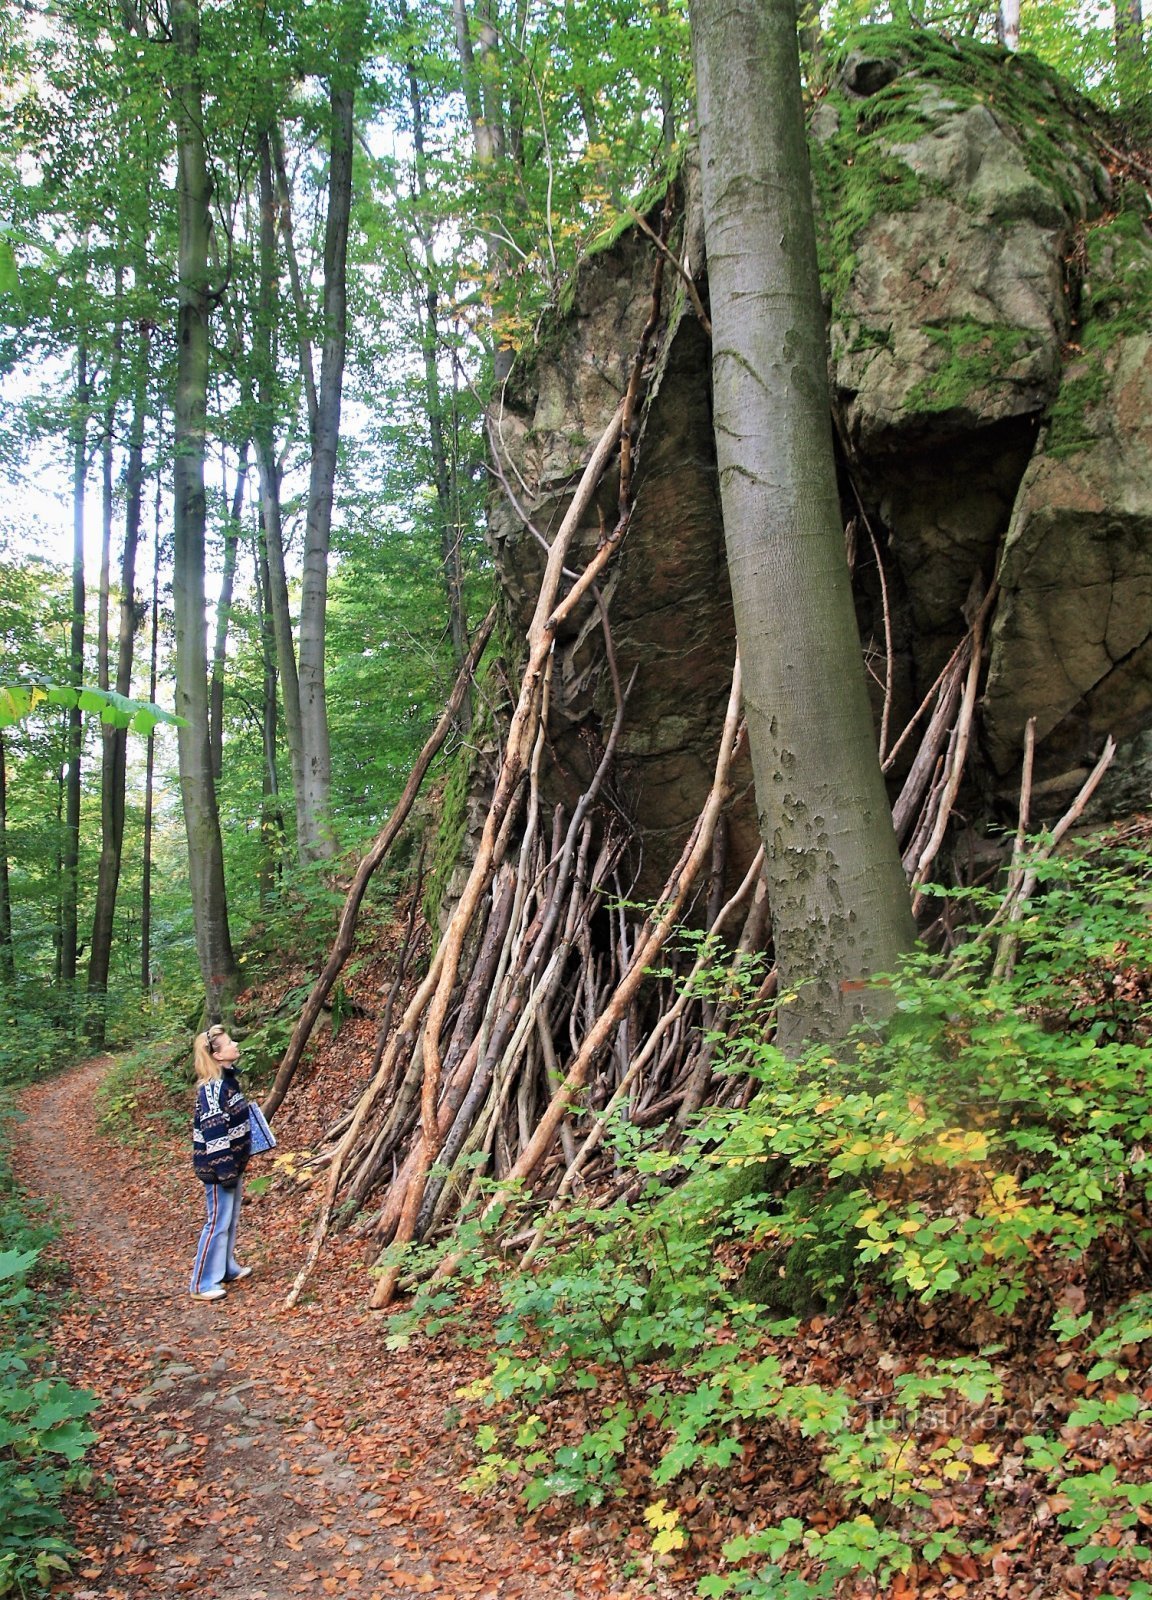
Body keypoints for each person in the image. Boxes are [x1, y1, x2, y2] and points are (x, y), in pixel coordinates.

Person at [189, 1023, 253, 1303]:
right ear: (217, 1056)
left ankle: (225, 1268)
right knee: (216, 1222)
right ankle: (202, 1283)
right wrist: (224, 1170)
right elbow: (214, 1131)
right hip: (219, 1169)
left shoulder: (228, 1080)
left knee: (229, 1219)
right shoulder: (212, 1089)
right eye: (229, 1044)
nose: (235, 1045)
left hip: (232, 1165)